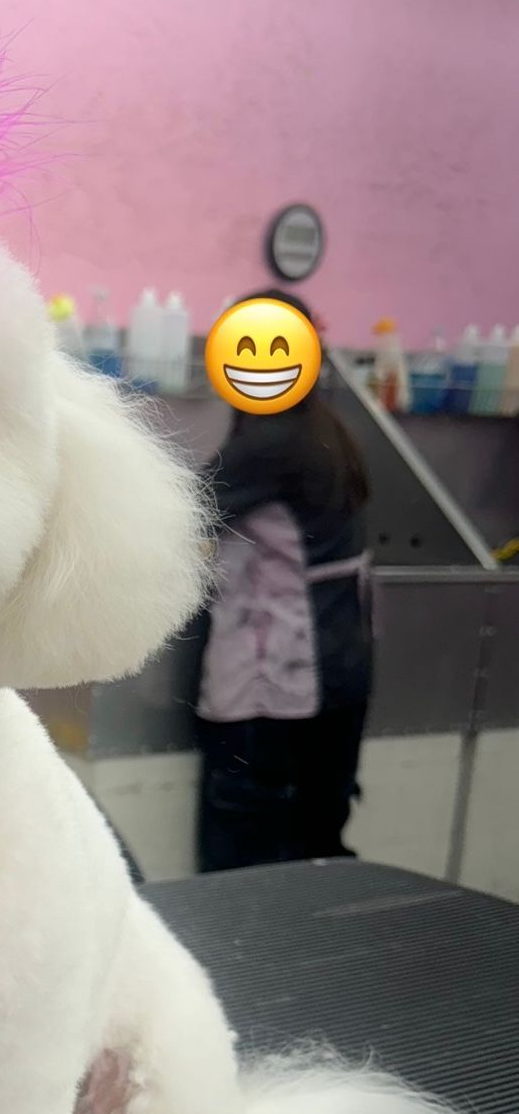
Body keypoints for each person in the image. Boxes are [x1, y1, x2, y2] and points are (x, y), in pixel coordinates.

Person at [196, 290, 373, 871]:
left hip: (279, 682)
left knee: (246, 858)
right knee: (317, 844)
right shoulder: (324, 430)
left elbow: (179, 513)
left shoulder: (271, 442)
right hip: (339, 667)